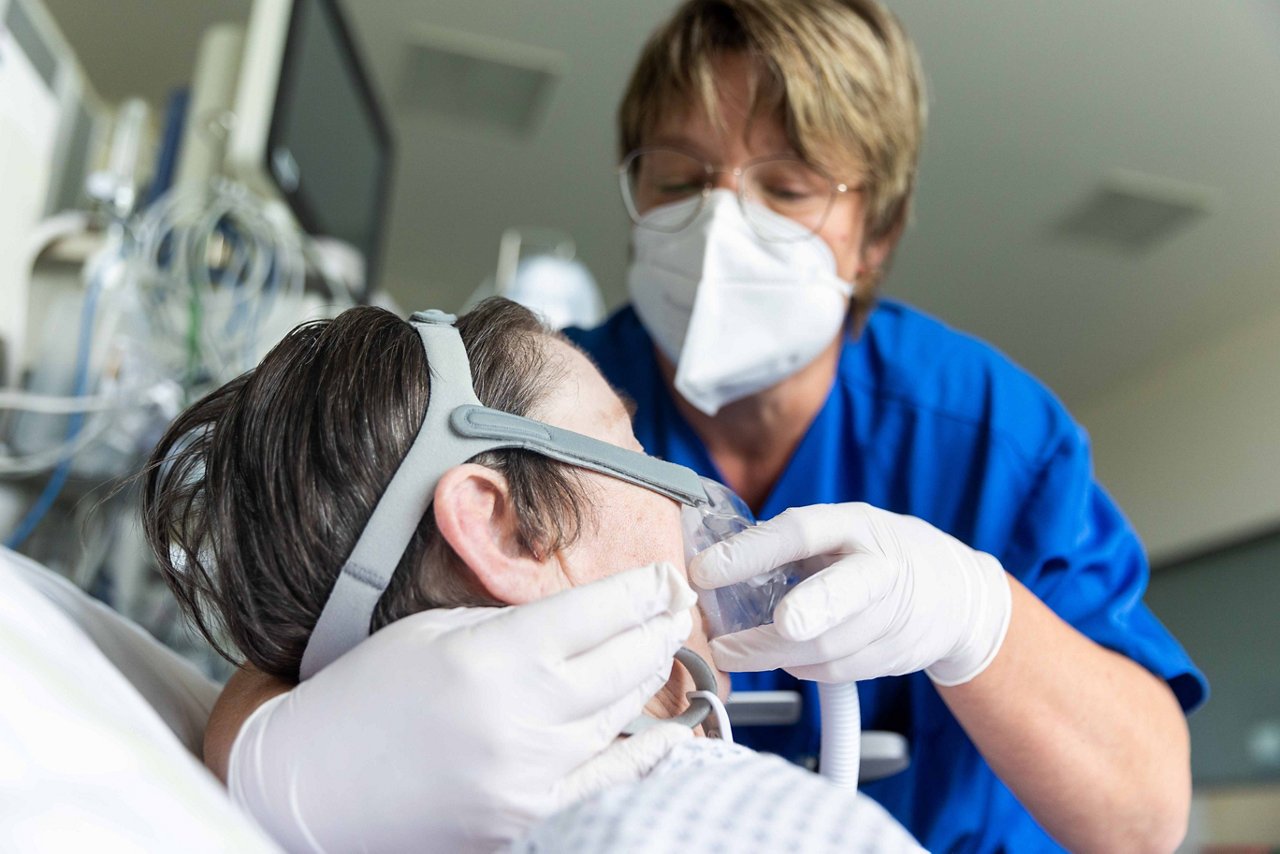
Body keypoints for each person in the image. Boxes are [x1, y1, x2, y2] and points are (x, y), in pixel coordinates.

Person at [205, 1, 1206, 851]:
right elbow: (335, 591)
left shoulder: (988, 437)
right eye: (679, 180)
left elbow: (1146, 816)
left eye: (787, 187)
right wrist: (274, 758)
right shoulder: (556, 404)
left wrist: (974, 618)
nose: (720, 227)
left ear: (875, 235)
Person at [141, 299, 924, 852]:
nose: (686, 487)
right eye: (631, 446)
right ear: (506, 531)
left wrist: (248, 748)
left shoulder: (344, 801)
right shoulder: (715, 823)